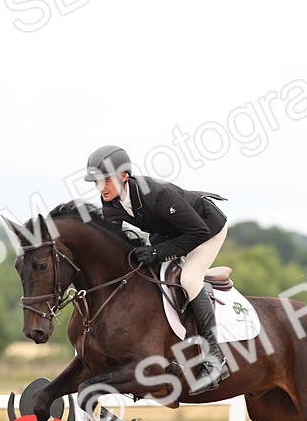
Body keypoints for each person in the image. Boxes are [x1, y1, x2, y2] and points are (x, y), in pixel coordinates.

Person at [84, 144, 231, 394]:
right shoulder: (110, 200)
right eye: (96, 182)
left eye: (105, 181)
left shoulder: (157, 195)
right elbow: (115, 243)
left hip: (207, 230)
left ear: (123, 177)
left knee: (189, 279)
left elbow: (198, 232)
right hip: (169, 233)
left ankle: (215, 361)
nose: (100, 188)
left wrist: (157, 252)